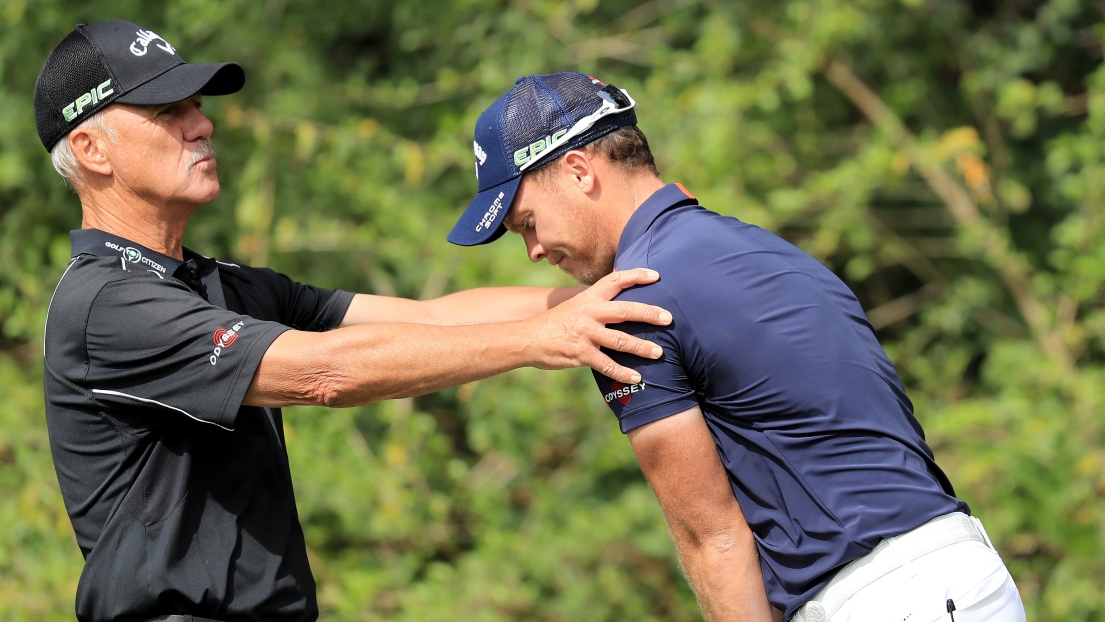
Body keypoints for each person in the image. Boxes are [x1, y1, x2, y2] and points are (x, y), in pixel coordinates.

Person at [35, 23, 674, 622]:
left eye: (196, 105)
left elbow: (434, 317)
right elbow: (323, 373)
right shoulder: (106, 305)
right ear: (92, 150)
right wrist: (539, 340)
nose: (201, 124)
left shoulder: (223, 286)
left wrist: (630, 288)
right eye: (166, 112)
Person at [448, 72, 1028, 622]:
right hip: (965, 574)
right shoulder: (764, 251)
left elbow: (714, 538)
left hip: (883, 600)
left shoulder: (632, 305)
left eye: (527, 222)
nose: (533, 250)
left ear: (579, 170)